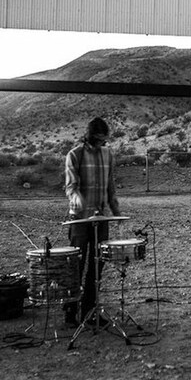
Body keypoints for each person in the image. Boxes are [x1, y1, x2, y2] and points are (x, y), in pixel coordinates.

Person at [63, 117, 122, 325]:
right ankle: (70, 311)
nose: (102, 144)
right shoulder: (74, 155)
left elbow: (110, 186)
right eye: (98, 140)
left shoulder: (108, 155)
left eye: (104, 141)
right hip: (79, 219)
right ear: (89, 137)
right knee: (76, 264)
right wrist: (78, 201)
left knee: (98, 265)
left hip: (101, 218)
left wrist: (116, 211)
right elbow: (71, 187)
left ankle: (90, 311)